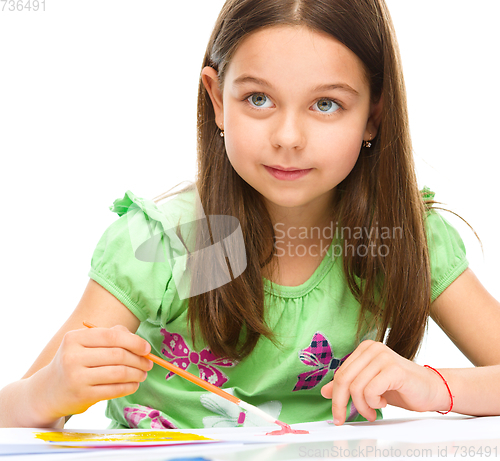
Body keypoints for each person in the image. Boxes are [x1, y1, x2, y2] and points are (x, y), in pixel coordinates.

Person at [1, 0, 500, 430]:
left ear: (374, 114)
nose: (287, 136)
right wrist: (50, 391)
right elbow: (12, 413)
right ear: (218, 100)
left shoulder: (393, 238)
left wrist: (437, 387)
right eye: (258, 99)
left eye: (326, 104)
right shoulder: (179, 243)